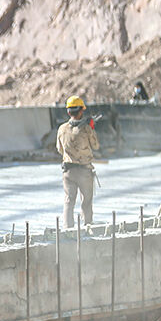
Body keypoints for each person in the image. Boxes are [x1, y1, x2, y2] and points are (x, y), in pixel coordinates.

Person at [57, 95, 100, 228]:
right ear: (81, 111)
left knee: (69, 201)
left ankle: (67, 228)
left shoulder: (62, 129)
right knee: (86, 201)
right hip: (84, 171)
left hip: (68, 172)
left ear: (68, 112)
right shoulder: (86, 129)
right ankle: (87, 227)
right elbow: (96, 146)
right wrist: (92, 128)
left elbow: (59, 149)